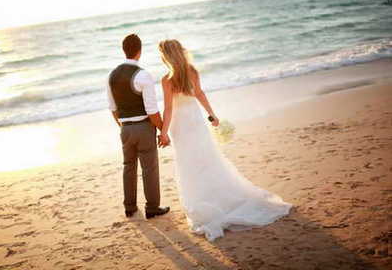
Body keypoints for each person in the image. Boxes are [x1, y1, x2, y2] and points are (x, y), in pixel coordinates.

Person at [158, 39, 292, 241]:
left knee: (189, 164)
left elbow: (168, 109)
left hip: (180, 124)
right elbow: (200, 94)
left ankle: (203, 200)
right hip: (195, 119)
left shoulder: (167, 79)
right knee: (208, 159)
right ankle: (218, 196)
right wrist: (212, 115)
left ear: (166, 56)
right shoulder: (191, 70)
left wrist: (164, 132)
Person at [107, 34, 170, 219]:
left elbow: (113, 108)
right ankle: (152, 208)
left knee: (128, 166)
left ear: (123, 50)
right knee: (149, 168)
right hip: (144, 127)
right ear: (139, 51)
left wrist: (123, 125)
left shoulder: (111, 76)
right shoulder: (143, 75)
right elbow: (152, 111)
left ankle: (130, 207)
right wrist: (162, 131)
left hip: (125, 128)